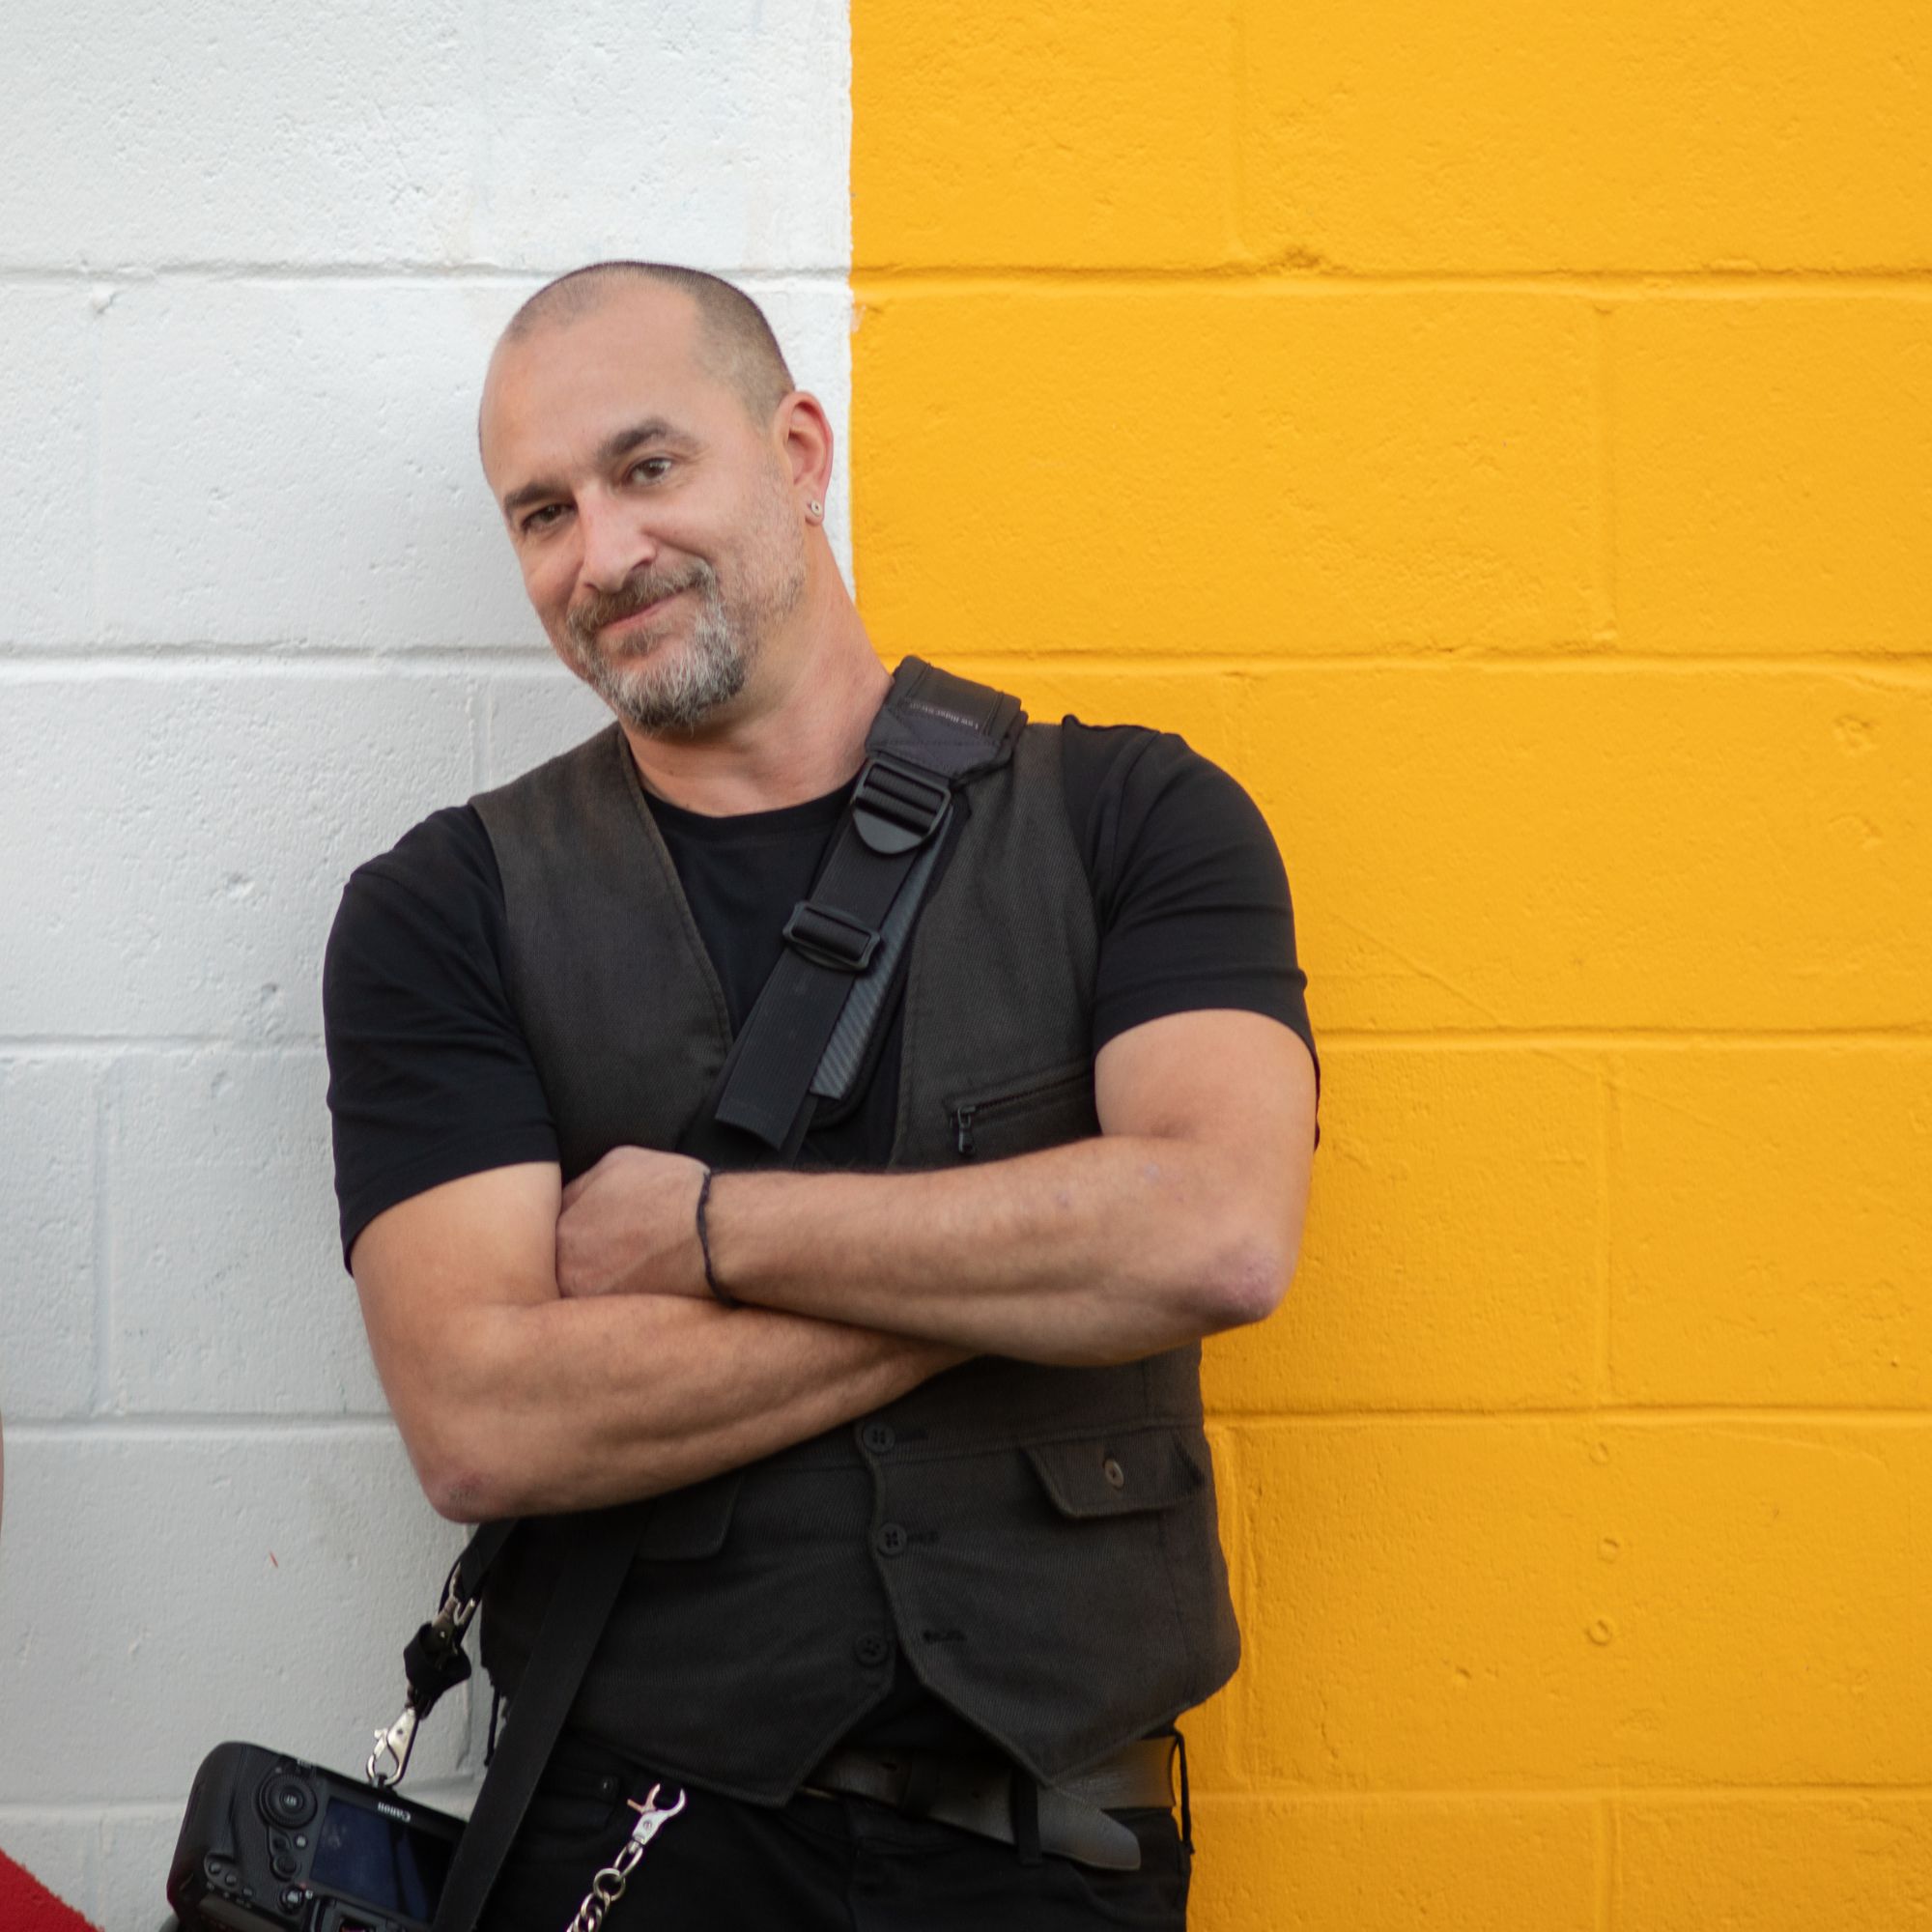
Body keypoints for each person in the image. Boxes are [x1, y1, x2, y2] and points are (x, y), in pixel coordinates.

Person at [323, 262, 1320, 1930]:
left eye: (649, 468)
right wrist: (1047, 1252)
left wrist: (707, 1229)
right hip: (626, 1844)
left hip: (1058, 1854)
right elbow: (484, 1418)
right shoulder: (444, 910)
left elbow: (1217, 1237)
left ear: (797, 448)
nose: (604, 554)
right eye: (541, 513)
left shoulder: (1138, 817)